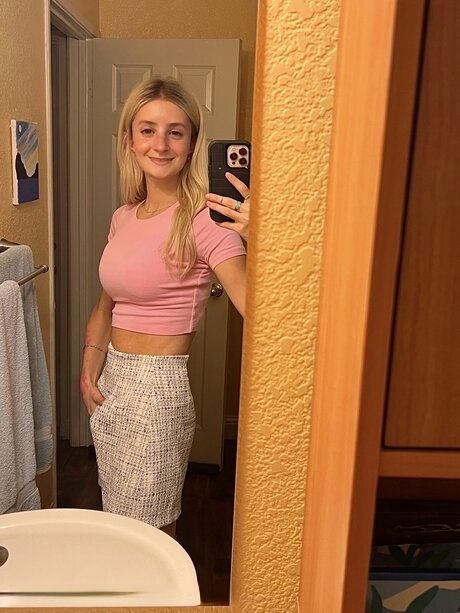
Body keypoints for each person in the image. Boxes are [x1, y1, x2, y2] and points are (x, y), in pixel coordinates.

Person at [80, 77, 249, 538]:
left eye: (175, 132)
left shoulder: (208, 221)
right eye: (148, 130)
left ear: (192, 143)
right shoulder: (124, 216)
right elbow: (106, 303)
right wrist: (89, 371)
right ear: (129, 140)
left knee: (151, 532)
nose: (160, 144)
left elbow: (260, 312)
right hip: (112, 384)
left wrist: (263, 237)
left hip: (158, 391)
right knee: (117, 520)